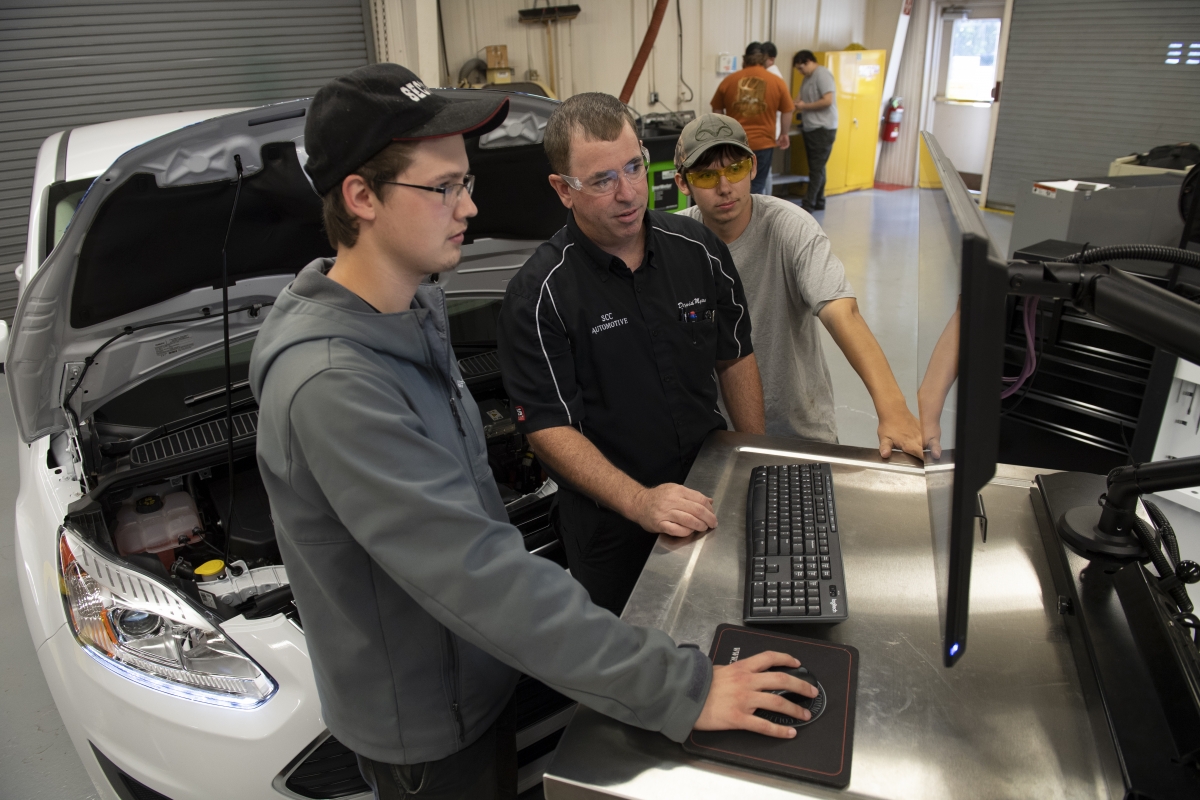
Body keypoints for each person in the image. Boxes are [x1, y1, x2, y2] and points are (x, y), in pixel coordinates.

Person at [250, 65, 814, 800]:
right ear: (361, 198)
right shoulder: (333, 384)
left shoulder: (410, 316)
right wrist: (683, 687)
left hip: (480, 670)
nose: (471, 206)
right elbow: (479, 574)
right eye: (445, 187)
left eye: (466, 181)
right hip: (429, 716)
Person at [497, 92, 766, 616]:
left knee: (725, 629)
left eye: (634, 168)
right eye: (602, 180)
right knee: (636, 666)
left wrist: (754, 463)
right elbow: (548, 428)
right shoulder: (540, 295)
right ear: (563, 190)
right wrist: (641, 501)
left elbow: (733, 356)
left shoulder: (700, 250)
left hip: (711, 492)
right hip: (612, 526)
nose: (627, 193)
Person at [675, 113, 924, 458]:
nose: (724, 187)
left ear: (752, 168)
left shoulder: (791, 228)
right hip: (715, 438)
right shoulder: (675, 243)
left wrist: (893, 409)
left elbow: (843, 313)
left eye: (734, 169)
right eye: (706, 175)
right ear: (683, 183)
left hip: (797, 432)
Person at [711, 42, 793, 195]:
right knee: (757, 186)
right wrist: (784, 133)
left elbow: (716, 109)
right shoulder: (777, 82)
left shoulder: (729, 81)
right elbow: (788, 110)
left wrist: (721, 134)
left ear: (744, 59)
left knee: (734, 183)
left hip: (735, 142)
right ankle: (756, 218)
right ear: (764, 59)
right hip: (763, 143)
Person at [793, 49, 838, 212]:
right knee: (819, 167)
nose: (800, 72)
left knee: (816, 168)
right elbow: (798, 99)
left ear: (809, 61)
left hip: (822, 128)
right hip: (811, 127)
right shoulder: (807, 78)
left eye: (801, 68)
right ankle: (819, 201)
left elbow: (827, 101)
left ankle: (808, 204)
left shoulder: (822, 75)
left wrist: (805, 107)